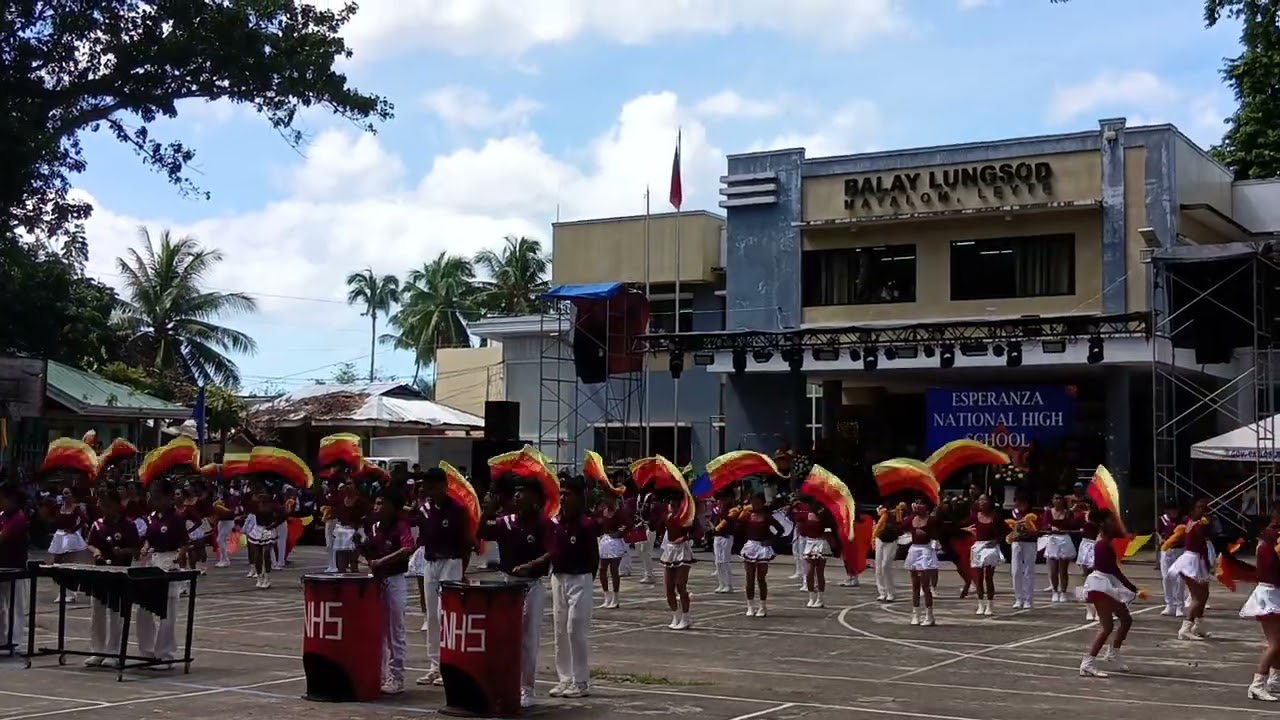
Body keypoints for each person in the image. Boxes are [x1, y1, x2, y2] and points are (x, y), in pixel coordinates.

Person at [480, 476, 550, 708]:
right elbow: (481, 532)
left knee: (528, 640)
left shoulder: (543, 524)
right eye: (516, 492)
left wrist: (531, 565)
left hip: (532, 586)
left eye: (523, 492)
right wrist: (487, 511)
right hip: (507, 584)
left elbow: (552, 552)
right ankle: (504, 684)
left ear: (536, 498)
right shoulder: (506, 522)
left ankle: (527, 688)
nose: (517, 496)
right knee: (504, 638)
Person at [544, 476, 599, 699]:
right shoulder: (555, 523)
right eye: (562, 493)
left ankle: (581, 680)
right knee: (559, 630)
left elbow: (594, 558)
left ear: (579, 497)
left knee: (575, 629)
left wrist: (586, 580)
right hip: (559, 578)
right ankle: (564, 678)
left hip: (580, 578)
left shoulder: (586, 525)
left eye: (569, 494)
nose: (564, 498)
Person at [414, 468, 468, 687]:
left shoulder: (457, 510)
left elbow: (465, 544)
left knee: (445, 614)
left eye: (433, 487)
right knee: (432, 616)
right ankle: (434, 666)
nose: (430, 491)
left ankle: (449, 665)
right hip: (431, 562)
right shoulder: (425, 509)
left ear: (444, 487)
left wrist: (461, 571)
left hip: (451, 562)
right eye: (427, 487)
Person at [360, 488, 415, 695]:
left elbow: (407, 549)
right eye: (376, 503)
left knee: (395, 631)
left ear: (393, 507)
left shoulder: (401, 526)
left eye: (382, 503)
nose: (377, 507)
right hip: (377, 582)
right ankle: (380, 673)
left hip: (395, 580)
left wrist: (381, 561)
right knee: (378, 631)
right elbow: (369, 552)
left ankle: (397, 677)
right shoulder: (373, 528)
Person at [1079, 508, 1139, 678]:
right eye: (1112, 520)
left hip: (1106, 583)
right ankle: (1087, 663)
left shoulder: (1106, 539)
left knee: (1126, 619)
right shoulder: (1102, 544)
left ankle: (1113, 654)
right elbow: (1112, 569)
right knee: (1107, 627)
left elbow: (1121, 534)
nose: (1115, 522)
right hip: (1101, 585)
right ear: (1104, 523)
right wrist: (1131, 587)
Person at [84, 488, 140, 667]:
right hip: (100, 573)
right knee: (97, 612)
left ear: (117, 505)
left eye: (109, 505)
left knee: (116, 613)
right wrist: (96, 551)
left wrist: (123, 551)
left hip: (120, 573)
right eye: (102, 505)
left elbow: (136, 549)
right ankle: (97, 650)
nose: (105, 509)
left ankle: (113, 652)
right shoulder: (97, 525)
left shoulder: (129, 525)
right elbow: (90, 544)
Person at [137, 477, 190, 667]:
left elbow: (185, 542)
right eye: (153, 497)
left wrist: (180, 554)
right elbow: (148, 539)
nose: (155, 501)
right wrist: (145, 547)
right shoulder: (150, 518)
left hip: (170, 562)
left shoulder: (176, 518)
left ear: (169, 498)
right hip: (153, 561)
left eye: (159, 498)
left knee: (167, 612)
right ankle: (147, 650)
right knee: (143, 609)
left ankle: (165, 653)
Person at [1240, 509, 1280, 701]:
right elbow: (1274, 576)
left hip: (1273, 593)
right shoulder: (1265, 548)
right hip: (1269, 595)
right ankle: (1257, 684)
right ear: (1263, 530)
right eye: (1274, 527)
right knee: (1275, 643)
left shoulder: (1268, 546)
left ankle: (1275, 680)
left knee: (1278, 642)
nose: (1278, 531)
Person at [1167, 498, 1214, 640]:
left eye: (1205, 508)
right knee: (1197, 597)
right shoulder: (1197, 524)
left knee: (1204, 595)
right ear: (1194, 509)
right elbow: (1202, 543)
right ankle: (1185, 628)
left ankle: (1198, 626)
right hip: (1192, 561)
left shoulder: (1193, 522)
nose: (1203, 511)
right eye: (1200, 508)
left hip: (1196, 559)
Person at [739, 492, 785, 617]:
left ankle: (762, 606)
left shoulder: (767, 516)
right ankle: (750, 606)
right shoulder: (746, 515)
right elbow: (738, 528)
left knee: (761, 578)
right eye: (752, 501)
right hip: (750, 546)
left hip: (763, 548)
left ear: (763, 503)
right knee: (749, 578)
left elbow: (781, 529)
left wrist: (771, 539)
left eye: (757, 502)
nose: (754, 504)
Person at [659, 492, 697, 629]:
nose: (673, 506)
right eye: (671, 503)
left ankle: (686, 618)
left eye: (675, 503)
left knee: (680, 585)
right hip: (669, 550)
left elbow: (699, 532)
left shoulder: (687, 517)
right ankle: (676, 615)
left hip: (682, 550)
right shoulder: (667, 517)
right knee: (669, 587)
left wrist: (685, 537)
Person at [0, 483, 29, 651]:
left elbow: (3, 537)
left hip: (16, 567)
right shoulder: (2, 515)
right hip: (1, 566)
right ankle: (2, 640)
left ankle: (15, 642)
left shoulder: (18, 517)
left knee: (15, 607)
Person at [48, 485, 89, 603]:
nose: (65, 496)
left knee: (68, 565)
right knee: (57, 564)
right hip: (59, 536)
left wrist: (74, 528)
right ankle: (61, 591)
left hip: (70, 537)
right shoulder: (60, 507)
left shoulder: (76, 508)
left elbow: (84, 519)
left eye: (67, 493)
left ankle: (71, 592)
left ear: (72, 495)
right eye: (63, 494)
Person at [904, 497, 939, 627]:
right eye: (917, 503)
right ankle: (915, 613)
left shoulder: (932, 520)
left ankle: (929, 615)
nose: (918, 506)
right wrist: (912, 513)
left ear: (927, 507)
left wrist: (925, 533)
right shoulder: (912, 518)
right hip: (914, 550)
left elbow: (936, 534)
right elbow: (903, 526)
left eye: (921, 503)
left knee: (925, 585)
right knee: (915, 585)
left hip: (926, 550)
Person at [966, 495, 1002, 616]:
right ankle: (980, 603)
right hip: (978, 546)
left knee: (989, 577)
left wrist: (996, 541)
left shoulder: (995, 516)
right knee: (978, 577)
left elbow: (1005, 531)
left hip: (990, 547)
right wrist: (967, 530)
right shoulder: (974, 516)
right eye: (980, 500)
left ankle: (990, 604)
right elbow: (964, 526)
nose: (982, 502)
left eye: (984, 500)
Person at [796, 497, 835, 609]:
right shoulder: (805, 515)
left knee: (819, 572)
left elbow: (829, 529)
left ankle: (820, 598)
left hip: (820, 543)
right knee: (809, 571)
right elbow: (802, 531)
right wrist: (800, 525)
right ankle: (811, 597)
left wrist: (826, 536)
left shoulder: (825, 515)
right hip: (809, 542)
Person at [594, 491, 630, 609]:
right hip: (605, 541)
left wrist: (619, 533)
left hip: (615, 542)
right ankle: (607, 597)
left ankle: (616, 598)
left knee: (614, 570)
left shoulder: (619, 513)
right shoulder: (602, 512)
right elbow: (594, 519)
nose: (607, 501)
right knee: (602, 569)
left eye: (609, 499)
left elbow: (628, 524)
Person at [1043, 494, 1078, 603]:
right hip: (1053, 539)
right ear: (1052, 500)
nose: (1058, 500)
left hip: (1064, 539)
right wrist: (1050, 528)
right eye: (1056, 498)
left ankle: (1063, 592)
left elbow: (1072, 525)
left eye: (1060, 498)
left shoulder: (1068, 513)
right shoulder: (1048, 512)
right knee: (1053, 569)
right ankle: (1054, 591)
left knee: (1063, 569)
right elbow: (1044, 525)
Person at [1008, 495, 1038, 610]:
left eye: (1022, 501)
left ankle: (1028, 599)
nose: (1019, 504)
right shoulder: (1013, 513)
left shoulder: (1032, 514)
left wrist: (1028, 530)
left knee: (1028, 571)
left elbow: (1036, 530)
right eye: (1017, 501)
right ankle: (1018, 598)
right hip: (1016, 543)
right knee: (1015, 571)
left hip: (1029, 543)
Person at [1157, 500, 1186, 617]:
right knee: (1167, 578)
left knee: (1180, 578)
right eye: (1169, 510)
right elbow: (1159, 532)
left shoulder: (1184, 520)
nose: (1172, 512)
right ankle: (1169, 605)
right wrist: (1161, 539)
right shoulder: (1162, 519)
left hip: (1180, 550)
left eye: (1174, 510)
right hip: (1167, 551)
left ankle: (1180, 606)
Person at [872, 504, 903, 602]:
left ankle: (890, 592)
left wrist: (896, 512)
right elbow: (875, 524)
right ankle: (882, 592)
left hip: (892, 540)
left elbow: (900, 523)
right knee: (878, 566)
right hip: (880, 538)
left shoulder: (898, 511)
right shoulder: (880, 510)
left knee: (886, 565)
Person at [708, 490, 736, 594]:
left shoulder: (732, 509)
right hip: (717, 536)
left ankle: (728, 584)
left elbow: (729, 521)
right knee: (718, 561)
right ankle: (721, 583)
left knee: (725, 561)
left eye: (723, 498)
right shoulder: (716, 510)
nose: (721, 501)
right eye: (719, 499)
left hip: (726, 536)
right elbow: (712, 520)